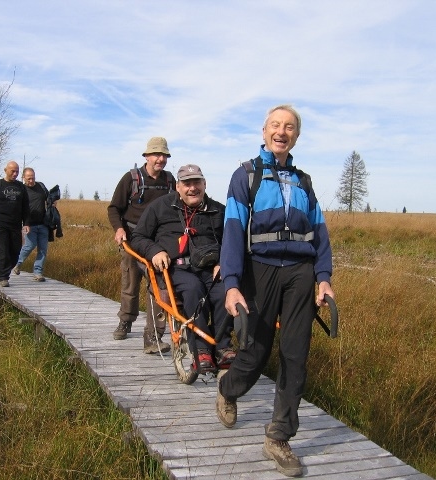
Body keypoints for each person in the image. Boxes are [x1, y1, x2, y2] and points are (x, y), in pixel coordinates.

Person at [216, 105, 335, 477]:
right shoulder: (246, 175)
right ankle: (229, 388)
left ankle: (279, 437)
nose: (282, 132)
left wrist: (324, 277)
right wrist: (232, 285)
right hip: (261, 270)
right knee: (256, 350)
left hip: (299, 273)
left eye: (289, 127)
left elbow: (320, 233)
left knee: (296, 355)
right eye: (275, 126)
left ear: (296, 136)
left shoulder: (305, 182)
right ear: (264, 132)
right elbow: (234, 229)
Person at [130, 164, 235, 371]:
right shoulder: (160, 207)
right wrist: (154, 251)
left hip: (211, 269)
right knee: (193, 289)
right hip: (177, 270)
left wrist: (225, 262)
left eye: (196, 182)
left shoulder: (218, 211)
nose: (192, 188)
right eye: (186, 184)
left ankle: (223, 347)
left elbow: (232, 242)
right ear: (178, 187)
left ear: (205, 184)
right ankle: (202, 350)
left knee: (225, 293)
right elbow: (138, 237)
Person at [107, 137, 176, 353]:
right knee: (130, 281)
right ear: (146, 156)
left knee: (158, 285)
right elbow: (114, 208)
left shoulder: (170, 181)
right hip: (131, 237)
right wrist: (119, 229)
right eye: (156, 154)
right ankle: (126, 321)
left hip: (155, 242)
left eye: (164, 155)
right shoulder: (131, 178)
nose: (160, 159)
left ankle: (153, 337)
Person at [0, 160, 30, 287]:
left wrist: (26, 223)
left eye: (17, 172)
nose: (15, 174)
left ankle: (6, 270)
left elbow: (26, 206)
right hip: (0, 223)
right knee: (3, 249)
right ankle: (3, 277)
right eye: (12, 171)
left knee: (16, 250)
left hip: (15, 224)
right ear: (6, 170)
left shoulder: (21, 187)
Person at [12, 167, 52, 282]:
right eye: (29, 178)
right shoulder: (21, 189)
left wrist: (53, 202)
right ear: (24, 178)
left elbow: (49, 198)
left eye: (33, 178)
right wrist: (24, 223)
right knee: (29, 246)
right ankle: (18, 264)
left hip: (43, 224)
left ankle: (38, 273)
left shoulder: (41, 186)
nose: (31, 180)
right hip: (29, 225)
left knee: (43, 250)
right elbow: (18, 208)